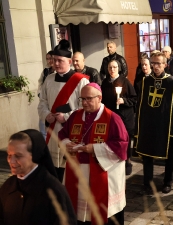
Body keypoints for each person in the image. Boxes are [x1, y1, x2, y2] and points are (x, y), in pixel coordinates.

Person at [59, 83, 129, 225]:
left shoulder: (112, 118)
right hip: (78, 172)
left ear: (99, 98)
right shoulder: (75, 116)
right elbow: (62, 134)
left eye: (89, 99)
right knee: (79, 214)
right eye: (82, 99)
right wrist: (67, 143)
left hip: (103, 173)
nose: (84, 103)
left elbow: (122, 145)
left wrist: (95, 149)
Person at [0, 129, 77, 225]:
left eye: (18, 156)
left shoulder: (53, 190)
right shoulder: (8, 186)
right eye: (9, 155)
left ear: (35, 155)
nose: (11, 161)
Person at [38, 40, 89, 182]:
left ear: (70, 61)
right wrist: (46, 114)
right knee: (54, 170)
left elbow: (85, 107)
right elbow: (42, 103)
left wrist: (67, 116)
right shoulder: (48, 79)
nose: (56, 64)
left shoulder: (81, 81)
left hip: (73, 130)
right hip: (53, 130)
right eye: (54, 60)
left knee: (71, 170)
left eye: (60, 60)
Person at [134, 52, 173, 194]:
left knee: (169, 154)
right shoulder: (145, 81)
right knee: (147, 155)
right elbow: (141, 105)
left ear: (165, 65)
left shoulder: (172, 82)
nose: (155, 66)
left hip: (165, 125)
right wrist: (139, 125)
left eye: (159, 63)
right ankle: (147, 183)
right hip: (149, 124)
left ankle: (167, 181)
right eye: (153, 63)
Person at [101, 60, 137, 175]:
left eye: (115, 67)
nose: (112, 70)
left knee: (124, 140)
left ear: (119, 68)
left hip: (124, 116)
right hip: (110, 116)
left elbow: (134, 99)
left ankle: (127, 161)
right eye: (110, 67)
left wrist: (124, 100)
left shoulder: (125, 82)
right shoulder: (105, 83)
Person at [37, 50, 55, 139]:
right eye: (47, 59)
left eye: (50, 58)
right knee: (42, 126)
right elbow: (40, 83)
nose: (49, 61)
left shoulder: (58, 72)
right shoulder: (45, 71)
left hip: (54, 102)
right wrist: (40, 93)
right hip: (45, 101)